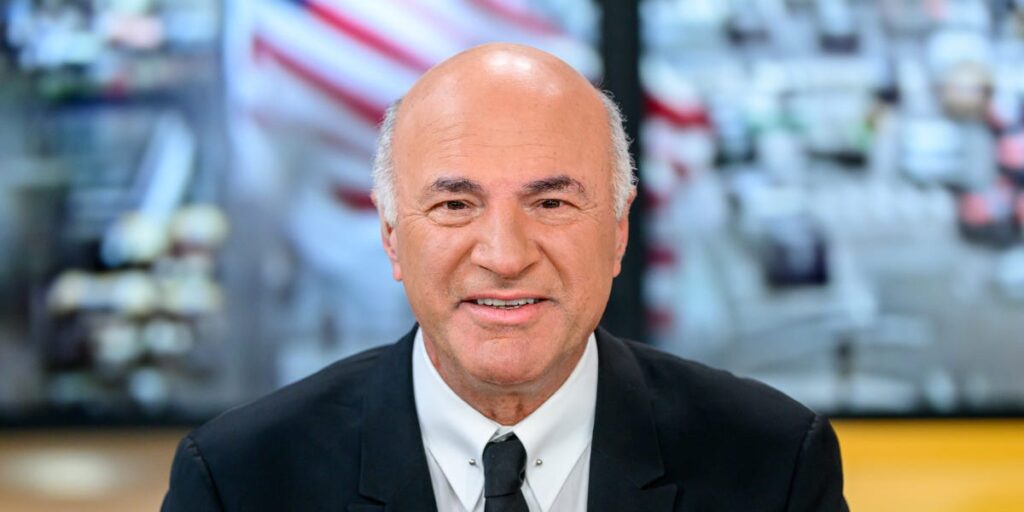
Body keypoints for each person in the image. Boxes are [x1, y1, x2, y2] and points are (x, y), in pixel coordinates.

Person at [162, 43, 848, 512]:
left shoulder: (774, 466)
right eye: (455, 205)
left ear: (618, 231)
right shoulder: (238, 482)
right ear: (392, 236)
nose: (505, 255)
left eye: (551, 203)